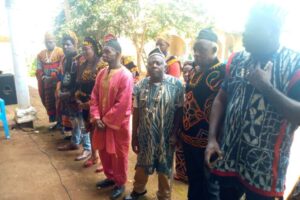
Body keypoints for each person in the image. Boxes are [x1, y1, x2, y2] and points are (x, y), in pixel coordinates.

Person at [205, 4, 300, 200]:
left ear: (271, 31)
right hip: (228, 159)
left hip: (264, 171)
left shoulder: (293, 64)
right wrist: (212, 138)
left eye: (252, 28)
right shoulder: (238, 59)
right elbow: (221, 98)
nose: (244, 33)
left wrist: (266, 87)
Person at [124, 48, 184, 200]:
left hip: (166, 137)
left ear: (165, 66)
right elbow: (136, 112)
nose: (154, 66)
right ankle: (138, 191)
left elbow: (180, 110)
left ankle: (164, 196)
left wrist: (175, 133)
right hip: (145, 136)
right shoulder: (139, 86)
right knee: (142, 165)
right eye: (151, 63)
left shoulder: (177, 85)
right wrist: (134, 136)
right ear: (147, 67)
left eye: (158, 63)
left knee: (165, 169)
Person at [180, 28, 225, 200]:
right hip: (189, 139)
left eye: (202, 50)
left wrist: (218, 138)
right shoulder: (195, 70)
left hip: (209, 143)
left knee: (210, 186)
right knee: (194, 182)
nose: (197, 53)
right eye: (195, 49)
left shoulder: (222, 72)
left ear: (214, 50)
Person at [90, 37, 133, 199]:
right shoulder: (102, 72)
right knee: (104, 151)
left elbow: (122, 104)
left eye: (108, 51)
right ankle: (110, 177)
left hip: (117, 125)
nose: (104, 54)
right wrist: (96, 116)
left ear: (118, 53)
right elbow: (94, 95)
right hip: (101, 122)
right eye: (104, 51)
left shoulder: (126, 76)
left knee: (118, 155)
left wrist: (105, 120)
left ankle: (120, 183)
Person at [74, 37, 106, 163]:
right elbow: (78, 83)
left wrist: (91, 102)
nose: (84, 52)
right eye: (83, 49)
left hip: (95, 103)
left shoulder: (102, 65)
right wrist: (78, 98)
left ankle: (104, 162)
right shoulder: (82, 64)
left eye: (86, 49)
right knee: (90, 130)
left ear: (93, 49)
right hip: (83, 103)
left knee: (99, 131)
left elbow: (102, 88)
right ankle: (94, 156)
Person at [56, 31, 85, 152]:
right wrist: (60, 90)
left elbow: (80, 80)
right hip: (66, 95)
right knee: (73, 119)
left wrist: (70, 93)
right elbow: (64, 76)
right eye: (64, 44)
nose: (65, 47)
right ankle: (75, 142)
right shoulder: (65, 59)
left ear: (74, 44)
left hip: (76, 95)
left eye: (68, 44)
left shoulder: (79, 59)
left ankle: (86, 147)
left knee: (81, 120)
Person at [36, 32, 64, 130]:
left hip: (58, 83)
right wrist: (43, 77)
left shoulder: (60, 51)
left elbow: (62, 65)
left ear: (54, 41)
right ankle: (58, 123)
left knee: (60, 102)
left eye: (51, 42)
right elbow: (38, 69)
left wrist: (55, 74)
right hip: (46, 83)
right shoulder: (40, 54)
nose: (49, 44)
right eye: (47, 42)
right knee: (50, 103)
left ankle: (63, 123)